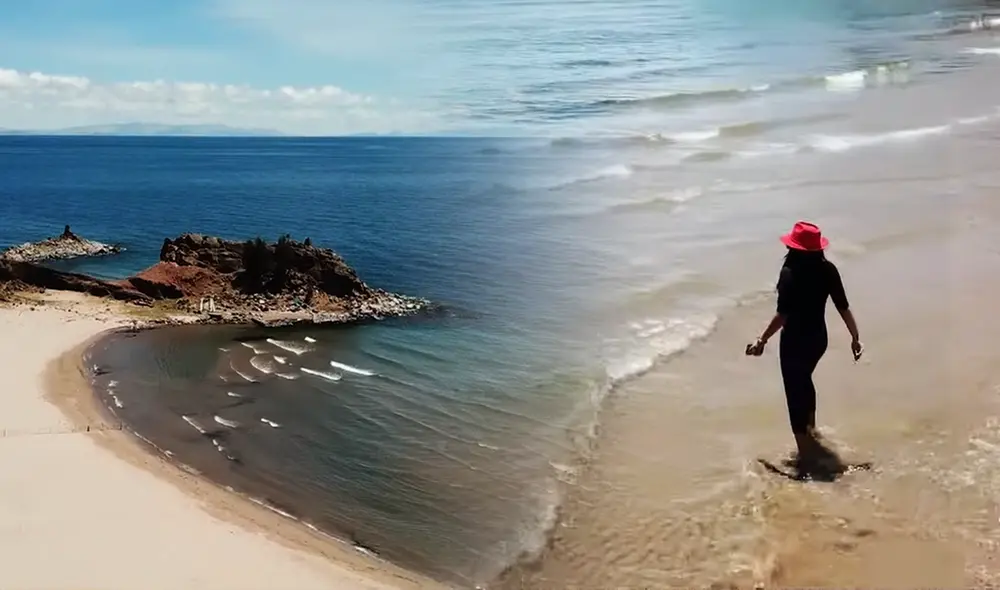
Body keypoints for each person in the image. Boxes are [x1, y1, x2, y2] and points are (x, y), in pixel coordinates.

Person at [745, 221, 863, 462]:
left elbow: (783, 315)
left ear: (793, 248)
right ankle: (811, 429)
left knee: (794, 391)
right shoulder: (828, 269)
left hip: (795, 342)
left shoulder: (789, 272)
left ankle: (804, 452)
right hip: (818, 340)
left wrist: (762, 340)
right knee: (805, 380)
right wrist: (855, 337)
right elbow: (843, 306)